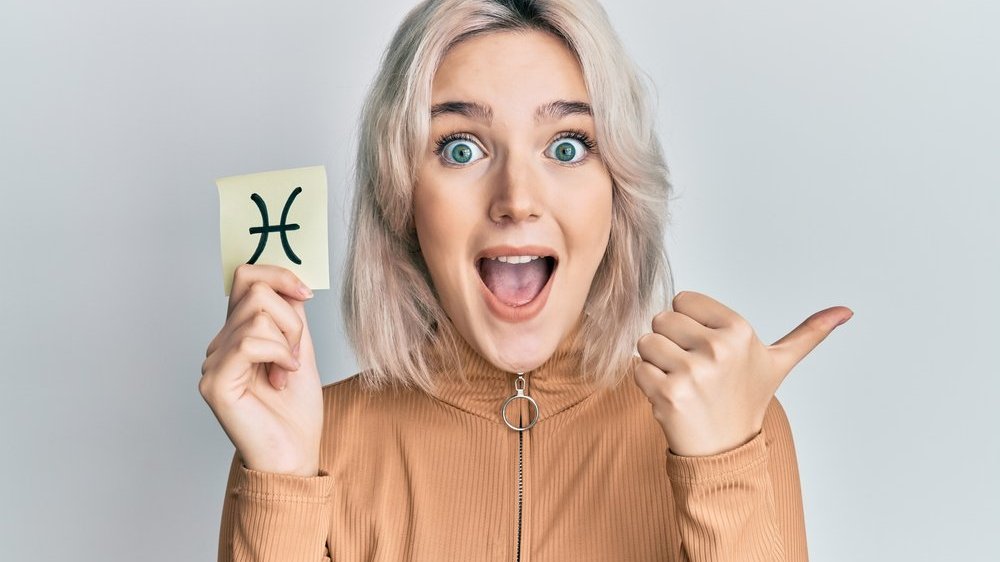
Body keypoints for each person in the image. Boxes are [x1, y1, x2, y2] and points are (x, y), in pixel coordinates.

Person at [199, 0, 852, 560]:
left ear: (619, 192)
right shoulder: (304, 444)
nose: (517, 199)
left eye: (566, 146)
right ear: (402, 198)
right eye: (461, 147)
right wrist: (281, 483)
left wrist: (724, 470)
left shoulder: (732, 425)